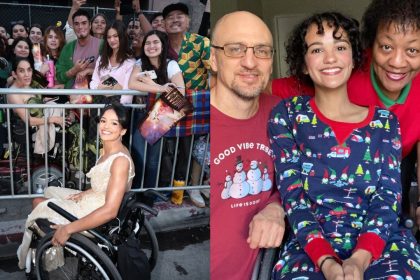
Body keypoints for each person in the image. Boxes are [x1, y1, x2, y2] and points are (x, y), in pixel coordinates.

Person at [269, 12, 420, 280]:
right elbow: (292, 196)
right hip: (309, 245)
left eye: (340, 47)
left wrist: (359, 261)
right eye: (317, 49)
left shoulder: (385, 123)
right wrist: (326, 261)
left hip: (382, 243)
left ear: (353, 59)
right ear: (303, 64)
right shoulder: (288, 115)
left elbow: (388, 198)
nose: (330, 58)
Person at [210, 11, 285, 279]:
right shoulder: (190, 112)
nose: (250, 62)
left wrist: (276, 206)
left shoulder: (281, 112)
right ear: (213, 59)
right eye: (235, 49)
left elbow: (300, 178)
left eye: (262, 51)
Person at [17, 102, 135, 270]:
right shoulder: (108, 149)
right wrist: (85, 193)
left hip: (96, 212)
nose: (106, 126)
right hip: (95, 198)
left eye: (114, 123)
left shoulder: (120, 161)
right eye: (103, 121)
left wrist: (68, 229)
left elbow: (110, 210)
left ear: (123, 130)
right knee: (50, 190)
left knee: (38, 202)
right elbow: (107, 184)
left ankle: (51, 254)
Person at [160, 2, 211, 205]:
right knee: (166, 149)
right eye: (170, 17)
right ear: (163, 24)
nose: (175, 19)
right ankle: (165, 190)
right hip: (166, 104)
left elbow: (215, 71)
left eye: (179, 15)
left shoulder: (201, 42)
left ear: (188, 20)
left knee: (190, 150)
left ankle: (190, 189)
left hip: (195, 107)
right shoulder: (160, 43)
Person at [128, 30, 184, 191]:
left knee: (153, 160)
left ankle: (149, 196)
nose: (151, 46)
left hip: (162, 115)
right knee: (138, 157)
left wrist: (147, 83)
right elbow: (132, 84)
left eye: (155, 42)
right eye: (147, 43)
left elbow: (180, 91)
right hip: (140, 113)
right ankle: (136, 193)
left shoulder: (171, 64)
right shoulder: (139, 64)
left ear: (162, 44)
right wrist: (160, 87)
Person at [90, 20, 135, 104]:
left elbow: (127, 91)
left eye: (115, 36)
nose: (112, 40)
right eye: (109, 37)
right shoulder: (101, 58)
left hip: (119, 106)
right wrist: (101, 87)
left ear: (122, 37)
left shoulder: (130, 62)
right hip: (99, 104)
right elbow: (93, 82)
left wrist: (120, 108)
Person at [56, 9, 102, 89]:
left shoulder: (102, 45)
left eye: (84, 23)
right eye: (76, 24)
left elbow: (113, 71)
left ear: (90, 25)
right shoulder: (68, 48)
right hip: (74, 96)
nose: (80, 27)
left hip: (98, 95)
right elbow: (59, 77)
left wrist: (89, 71)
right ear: (73, 27)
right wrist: (74, 70)